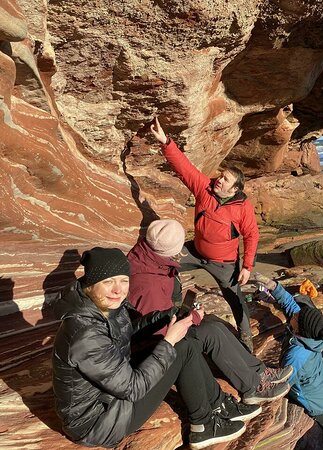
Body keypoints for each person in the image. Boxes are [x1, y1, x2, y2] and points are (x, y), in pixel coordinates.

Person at [52, 247, 252, 449]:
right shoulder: (85, 334)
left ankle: (217, 406)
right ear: (90, 284)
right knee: (180, 348)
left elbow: (127, 332)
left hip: (110, 396)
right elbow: (132, 389)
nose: (118, 289)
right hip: (97, 422)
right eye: (108, 282)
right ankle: (204, 425)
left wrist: (168, 315)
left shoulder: (102, 306)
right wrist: (168, 343)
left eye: (124, 280)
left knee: (185, 344)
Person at [127, 219, 292, 405]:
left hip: (162, 332)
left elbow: (158, 315)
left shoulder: (148, 260)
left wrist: (189, 314)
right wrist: (192, 318)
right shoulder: (148, 285)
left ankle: (259, 371)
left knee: (215, 323)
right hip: (154, 351)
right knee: (211, 334)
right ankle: (252, 387)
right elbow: (159, 334)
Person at [150, 118, 259, 351]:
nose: (219, 180)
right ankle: (174, 310)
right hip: (195, 252)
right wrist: (166, 142)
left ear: (235, 189)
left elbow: (251, 235)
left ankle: (246, 339)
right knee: (164, 263)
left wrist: (247, 266)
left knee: (236, 299)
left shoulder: (243, 207)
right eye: (221, 176)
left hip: (224, 263)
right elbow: (185, 168)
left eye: (225, 180)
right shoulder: (205, 188)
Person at [253, 274, 323, 450]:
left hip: (317, 401)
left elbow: (284, 381)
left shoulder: (296, 355)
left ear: (299, 328)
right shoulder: (312, 334)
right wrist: (272, 285)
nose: (295, 313)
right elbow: (290, 305)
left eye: (297, 316)